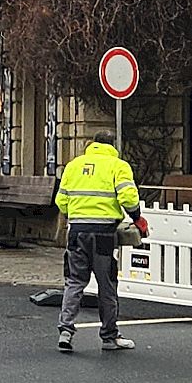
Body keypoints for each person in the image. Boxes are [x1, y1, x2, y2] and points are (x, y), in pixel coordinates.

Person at [54, 131, 146, 353]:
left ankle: (65, 331)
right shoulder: (118, 166)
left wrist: (76, 215)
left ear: (92, 144)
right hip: (104, 234)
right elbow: (128, 198)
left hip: (77, 232)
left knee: (75, 281)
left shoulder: (73, 166)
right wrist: (137, 219)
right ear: (113, 145)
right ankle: (109, 336)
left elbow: (61, 200)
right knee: (106, 284)